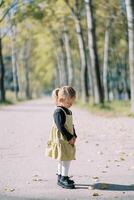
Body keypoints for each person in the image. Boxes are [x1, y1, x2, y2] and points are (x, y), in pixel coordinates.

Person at [46, 86, 77, 189]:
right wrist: (69, 137)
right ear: (61, 100)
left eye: (72, 102)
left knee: (63, 158)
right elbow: (60, 127)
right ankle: (63, 177)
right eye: (69, 103)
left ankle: (60, 177)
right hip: (62, 139)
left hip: (67, 138)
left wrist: (74, 135)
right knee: (65, 158)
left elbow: (71, 125)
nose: (71, 105)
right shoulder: (58, 112)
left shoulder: (68, 111)